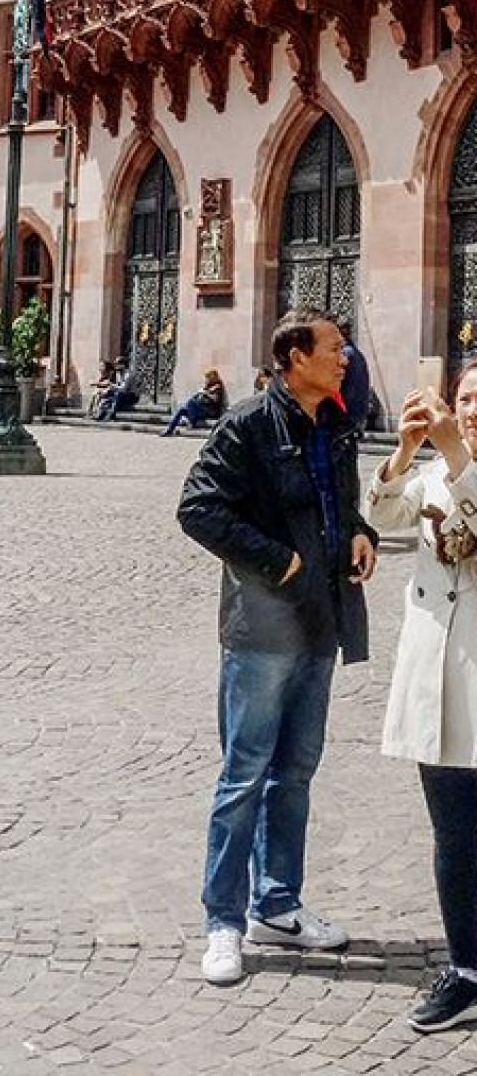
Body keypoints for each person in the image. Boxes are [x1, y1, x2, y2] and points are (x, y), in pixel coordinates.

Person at [176, 310, 379, 987]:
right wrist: (279, 563)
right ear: (294, 359)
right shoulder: (246, 425)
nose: (344, 357)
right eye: (331, 348)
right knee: (244, 776)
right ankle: (223, 922)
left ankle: (279, 905)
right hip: (262, 631)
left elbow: (337, 502)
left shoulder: (336, 424)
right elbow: (198, 509)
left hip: (321, 622)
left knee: (295, 773)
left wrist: (359, 532)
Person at [366, 361, 477, 1031]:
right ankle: (466, 966)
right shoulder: (438, 470)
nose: (470, 408)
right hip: (438, 673)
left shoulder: (461, 465)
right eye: (465, 397)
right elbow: (381, 512)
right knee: (454, 833)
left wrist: (454, 449)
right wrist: (406, 451)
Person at [163, 369, 230, 437]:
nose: (206, 380)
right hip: (201, 410)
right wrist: (199, 394)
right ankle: (170, 430)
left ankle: (192, 422)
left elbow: (215, 399)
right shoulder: (208, 386)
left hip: (211, 411)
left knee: (191, 402)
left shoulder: (218, 386)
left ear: (212, 377)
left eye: (207, 378)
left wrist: (205, 393)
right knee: (182, 410)